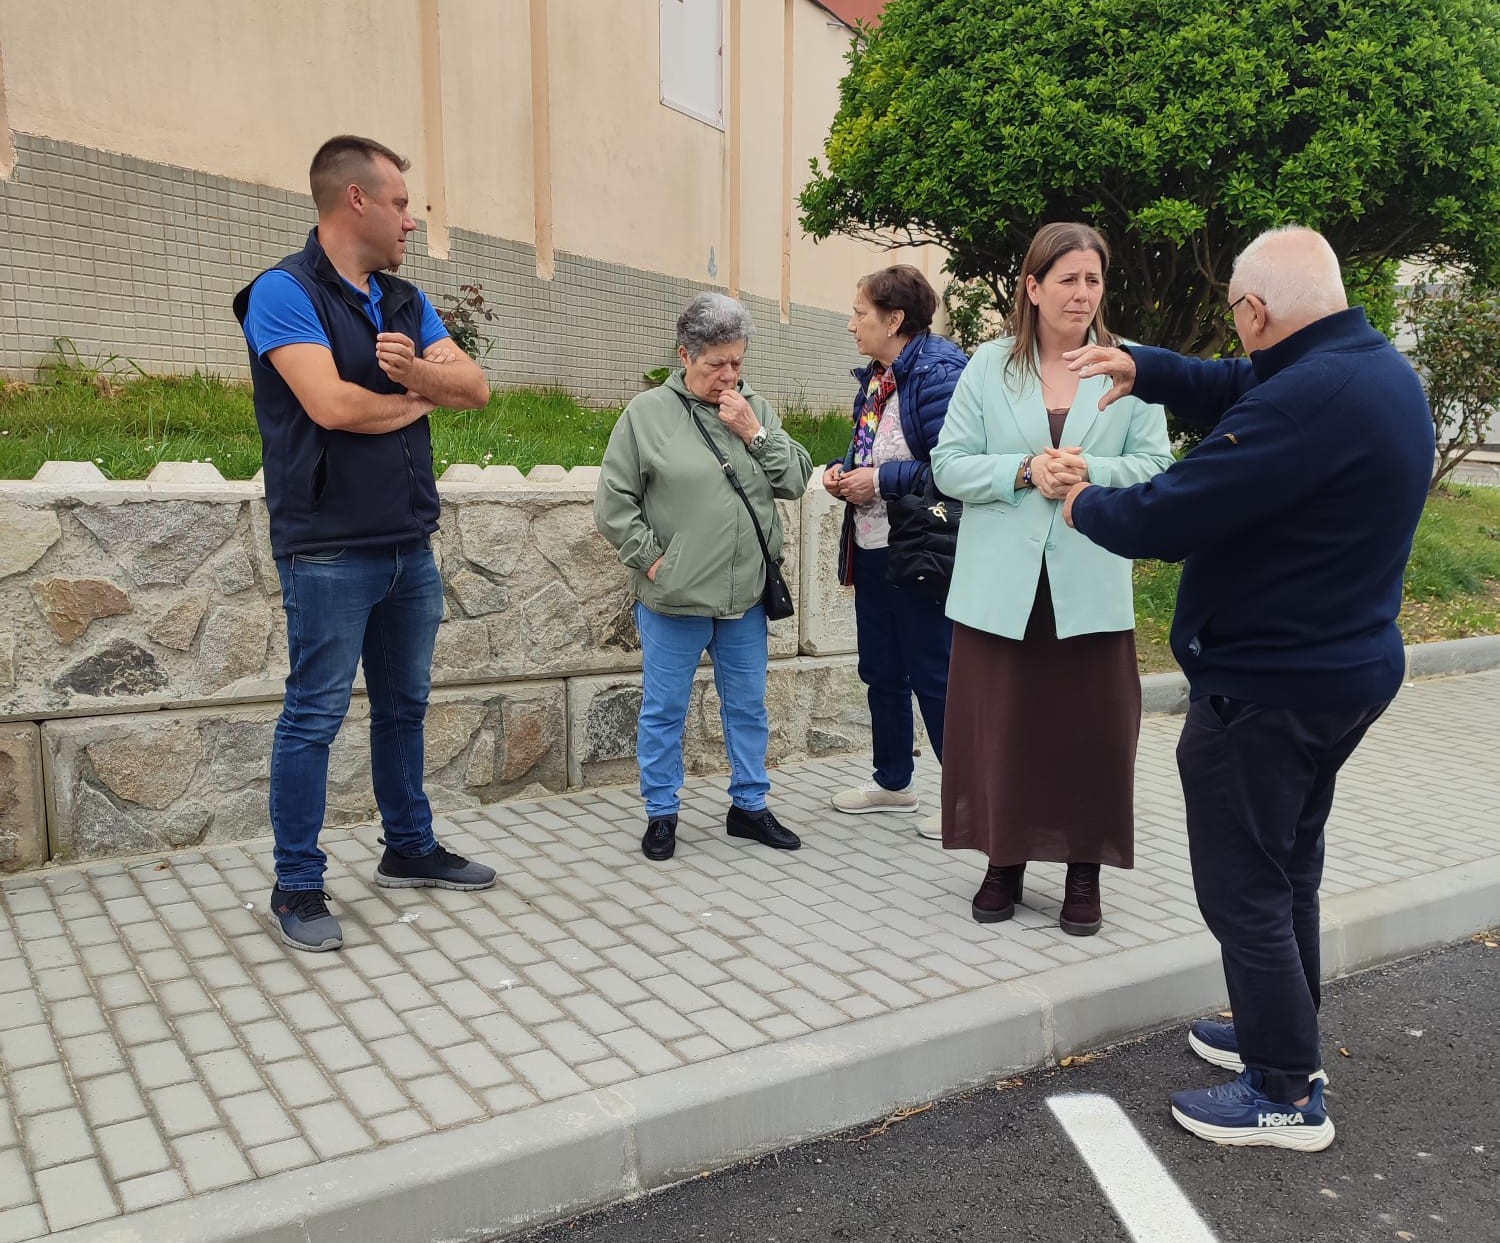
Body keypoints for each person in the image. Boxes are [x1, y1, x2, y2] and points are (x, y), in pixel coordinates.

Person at [1063, 225, 1433, 1151]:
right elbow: (1242, 386)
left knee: (1243, 891)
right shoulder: (1366, 368)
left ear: (1256, 310)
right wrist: (1148, 366)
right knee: (1285, 868)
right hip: (1339, 672)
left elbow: (1173, 511)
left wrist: (1076, 501)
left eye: (1238, 321)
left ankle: (1283, 1092)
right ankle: (1281, 1033)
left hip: (1268, 690)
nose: (1238, 343)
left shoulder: (1308, 401)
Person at [232, 135, 497, 954]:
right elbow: (333, 407)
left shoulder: (405, 301)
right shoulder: (283, 292)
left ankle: (408, 846)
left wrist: (418, 374)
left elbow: (476, 388)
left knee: (404, 707)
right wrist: (421, 398)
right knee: (313, 717)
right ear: (355, 201)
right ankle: (297, 885)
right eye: (400, 205)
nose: (410, 221)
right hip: (327, 548)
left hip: (407, 541)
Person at [930, 223, 1173, 933]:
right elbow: (948, 463)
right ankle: (1002, 861)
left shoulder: (1128, 371)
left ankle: (1083, 871)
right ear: (1032, 288)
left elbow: (1157, 468)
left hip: (1088, 585)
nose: (1082, 292)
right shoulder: (988, 367)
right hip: (1000, 588)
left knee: (1089, 733)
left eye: (1093, 279)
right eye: (1067, 278)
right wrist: (1020, 470)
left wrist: (1089, 470)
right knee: (1003, 728)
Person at [595, 293, 814, 862]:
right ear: (684, 354)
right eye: (717, 363)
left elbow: (794, 478)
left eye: (738, 362)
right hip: (675, 597)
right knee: (664, 709)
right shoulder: (646, 415)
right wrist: (651, 560)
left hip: (744, 597)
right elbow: (614, 502)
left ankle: (749, 806)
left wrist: (753, 432)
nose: (729, 375)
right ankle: (661, 813)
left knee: (747, 706)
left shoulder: (755, 410)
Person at [824, 265, 969, 838]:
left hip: (922, 548)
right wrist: (846, 471)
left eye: (861, 313)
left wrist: (879, 482)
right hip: (874, 544)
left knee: (934, 671)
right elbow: (875, 445)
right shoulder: (880, 376)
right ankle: (892, 782)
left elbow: (956, 470)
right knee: (881, 668)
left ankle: (966, 798)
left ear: (894, 319)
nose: (852, 323)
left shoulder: (939, 375)